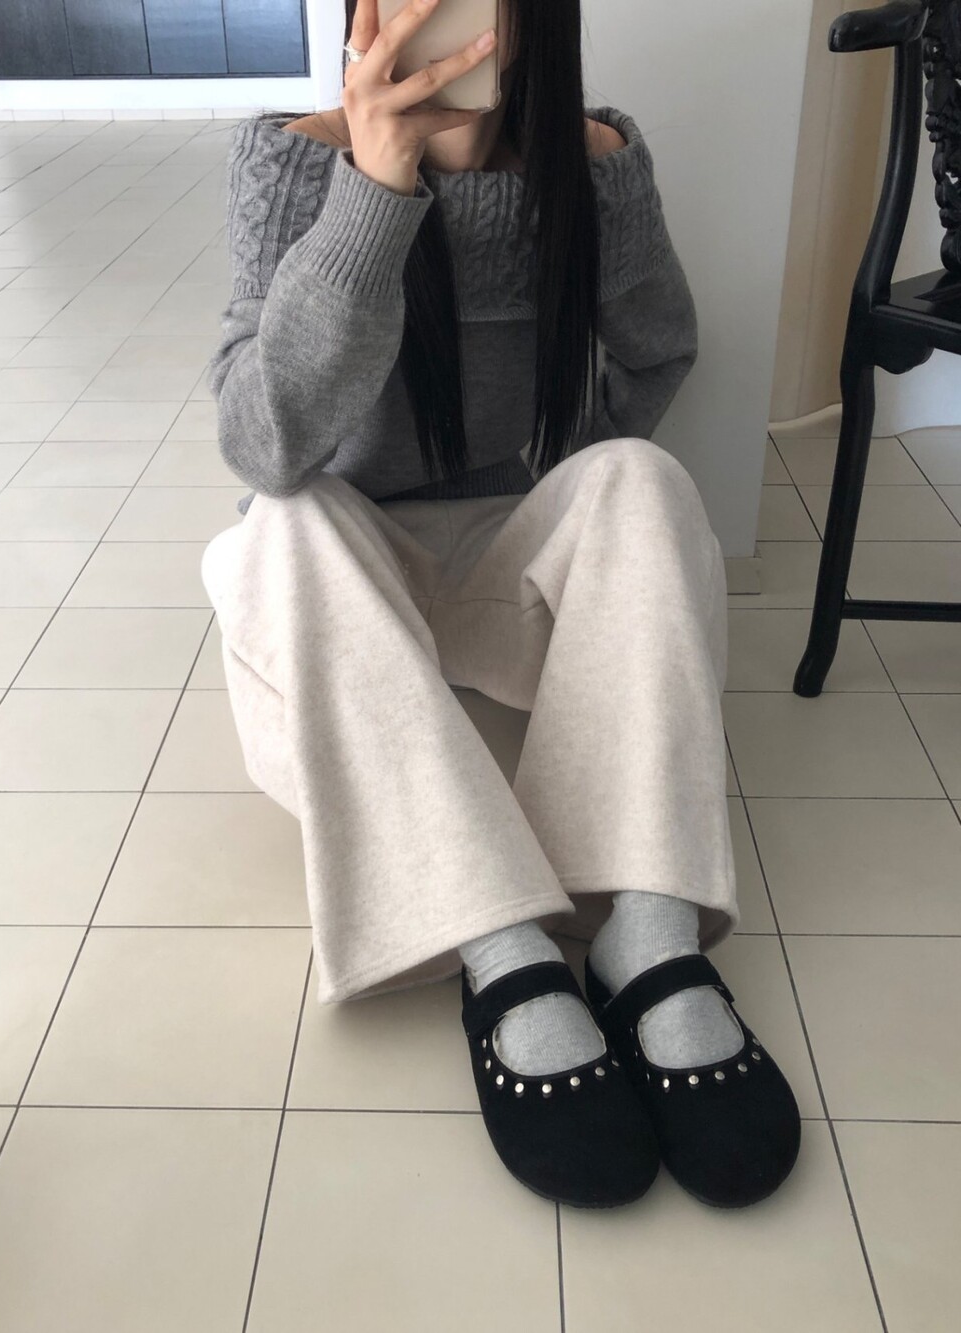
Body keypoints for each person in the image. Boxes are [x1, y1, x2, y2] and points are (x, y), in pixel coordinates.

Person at [199, 0, 801, 1211]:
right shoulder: (294, 158)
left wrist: (575, 523)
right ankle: (503, 946)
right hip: (340, 579)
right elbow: (264, 444)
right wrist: (372, 195)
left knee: (639, 480)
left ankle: (647, 933)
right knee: (290, 517)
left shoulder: (593, 164)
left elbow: (658, 352)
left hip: (497, 552)